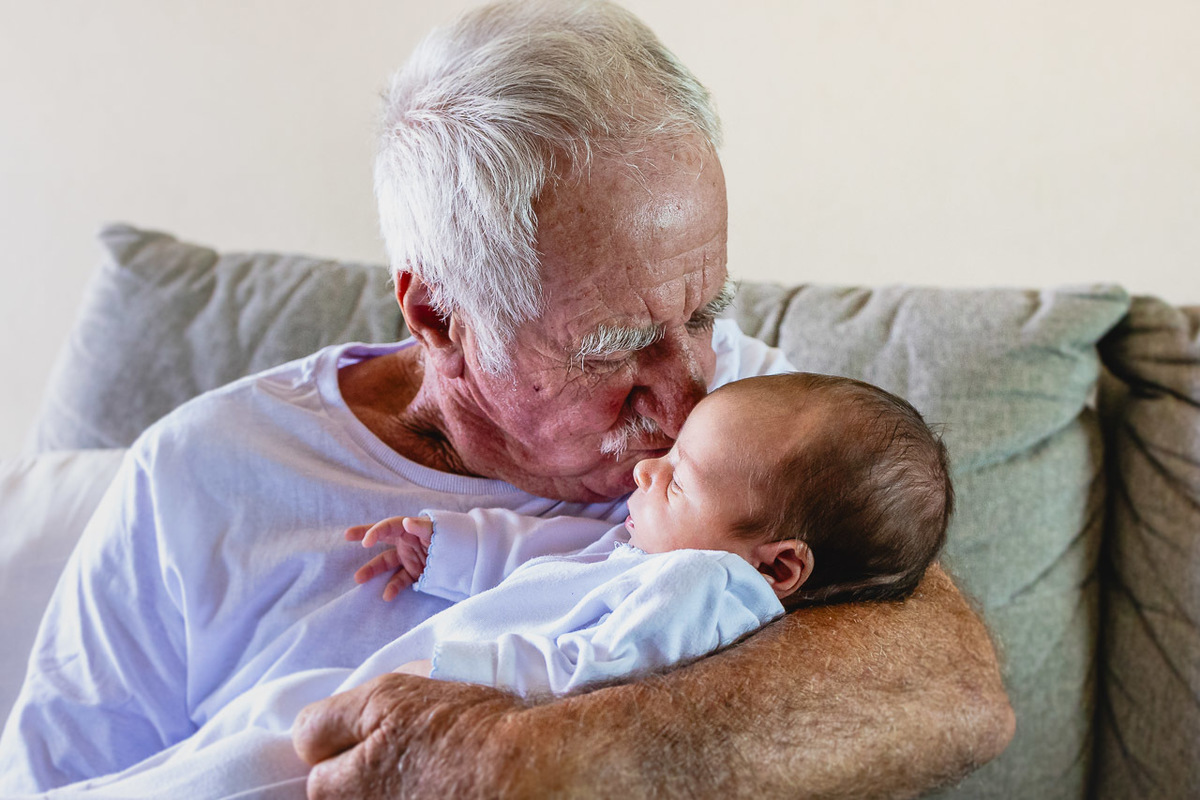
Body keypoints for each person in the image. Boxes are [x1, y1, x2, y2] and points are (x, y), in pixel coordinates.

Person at [0, 1, 1013, 797]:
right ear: (438, 314)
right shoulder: (202, 476)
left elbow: (955, 695)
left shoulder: (763, 419)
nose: (690, 382)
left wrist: (535, 762)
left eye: (707, 308)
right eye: (615, 345)